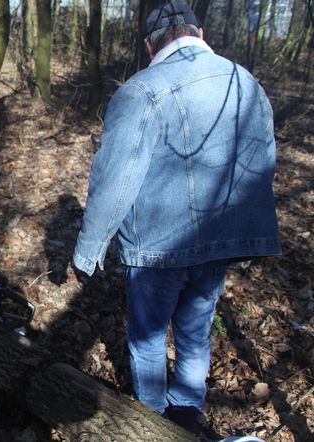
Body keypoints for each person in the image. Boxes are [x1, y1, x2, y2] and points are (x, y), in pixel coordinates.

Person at [73, 1, 281, 435]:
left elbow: (115, 179)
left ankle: (152, 421)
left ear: (150, 46)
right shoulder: (245, 83)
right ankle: (187, 410)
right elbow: (261, 163)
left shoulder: (142, 90)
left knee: (148, 339)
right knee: (195, 330)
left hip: (158, 247)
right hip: (220, 241)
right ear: (200, 34)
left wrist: (87, 252)